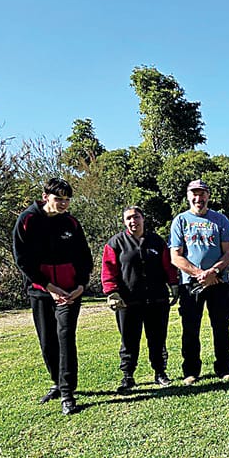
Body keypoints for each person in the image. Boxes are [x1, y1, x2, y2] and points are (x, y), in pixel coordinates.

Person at [12, 177, 93, 415]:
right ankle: (57, 383)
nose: (64, 204)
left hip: (69, 293)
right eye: (59, 199)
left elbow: (84, 258)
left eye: (67, 200)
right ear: (46, 196)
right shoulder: (27, 220)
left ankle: (68, 394)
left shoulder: (71, 223)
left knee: (65, 337)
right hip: (41, 291)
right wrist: (47, 286)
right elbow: (22, 260)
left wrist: (80, 286)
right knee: (48, 341)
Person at [101, 206, 179, 393]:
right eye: (128, 218)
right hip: (128, 302)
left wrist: (174, 284)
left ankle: (160, 372)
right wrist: (111, 292)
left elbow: (168, 265)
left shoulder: (157, 242)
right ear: (124, 222)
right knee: (129, 340)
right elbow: (108, 270)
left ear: (143, 219)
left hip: (156, 300)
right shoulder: (115, 243)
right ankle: (128, 376)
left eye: (136, 217)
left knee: (157, 338)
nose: (132, 221)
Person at [169, 179, 229, 385]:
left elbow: (228, 253)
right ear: (188, 196)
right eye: (194, 194)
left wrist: (213, 271)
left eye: (202, 194)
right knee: (190, 328)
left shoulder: (220, 220)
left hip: (218, 281)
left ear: (208, 196)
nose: (198, 198)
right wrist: (199, 273)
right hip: (191, 284)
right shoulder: (180, 221)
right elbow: (175, 256)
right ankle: (191, 371)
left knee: (221, 326)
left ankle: (224, 367)